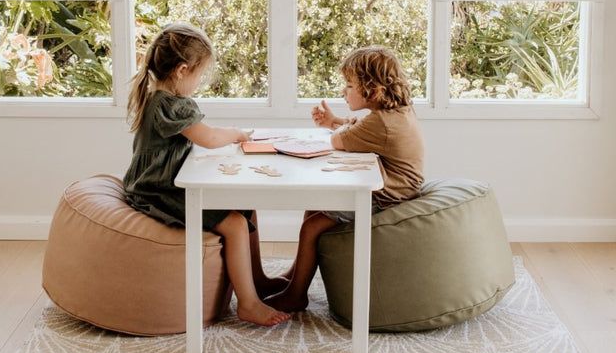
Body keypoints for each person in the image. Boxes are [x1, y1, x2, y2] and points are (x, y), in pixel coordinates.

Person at [123, 22, 290, 327]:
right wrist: (239, 134)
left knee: (245, 209)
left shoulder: (157, 97)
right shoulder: (171, 105)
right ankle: (249, 304)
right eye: (199, 75)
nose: (199, 83)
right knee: (237, 225)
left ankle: (258, 281)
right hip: (158, 191)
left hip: (162, 182)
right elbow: (209, 138)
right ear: (182, 70)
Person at [267, 45, 425, 313]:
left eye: (350, 85)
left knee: (312, 226)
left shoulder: (381, 123)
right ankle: (294, 276)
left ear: (373, 91)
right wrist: (333, 121)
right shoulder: (394, 113)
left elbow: (339, 141)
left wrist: (332, 128)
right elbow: (356, 130)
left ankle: (296, 294)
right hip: (392, 187)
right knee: (314, 208)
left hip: (388, 196)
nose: (344, 91)